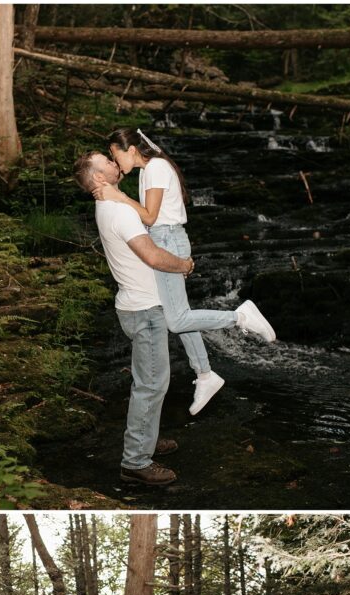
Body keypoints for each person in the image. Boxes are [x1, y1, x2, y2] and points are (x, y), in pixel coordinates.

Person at [73, 150, 276, 487]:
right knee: (151, 386)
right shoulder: (117, 212)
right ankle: (135, 462)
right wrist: (184, 265)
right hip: (145, 311)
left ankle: (146, 442)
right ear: (97, 178)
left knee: (151, 381)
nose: (113, 163)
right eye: (106, 163)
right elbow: (152, 255)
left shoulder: (111, 204)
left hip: (137, 305)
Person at [92, 126, 277, 416]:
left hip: (167, 239)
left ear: (131, 150)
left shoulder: (155, 168)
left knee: (176, 320)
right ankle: (205, 374)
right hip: (163, 237)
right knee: (177, 312)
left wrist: (119, 197)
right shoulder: (147, 171)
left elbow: (151, 216)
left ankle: (241, 316)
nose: (116, 164)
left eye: (115, 155)